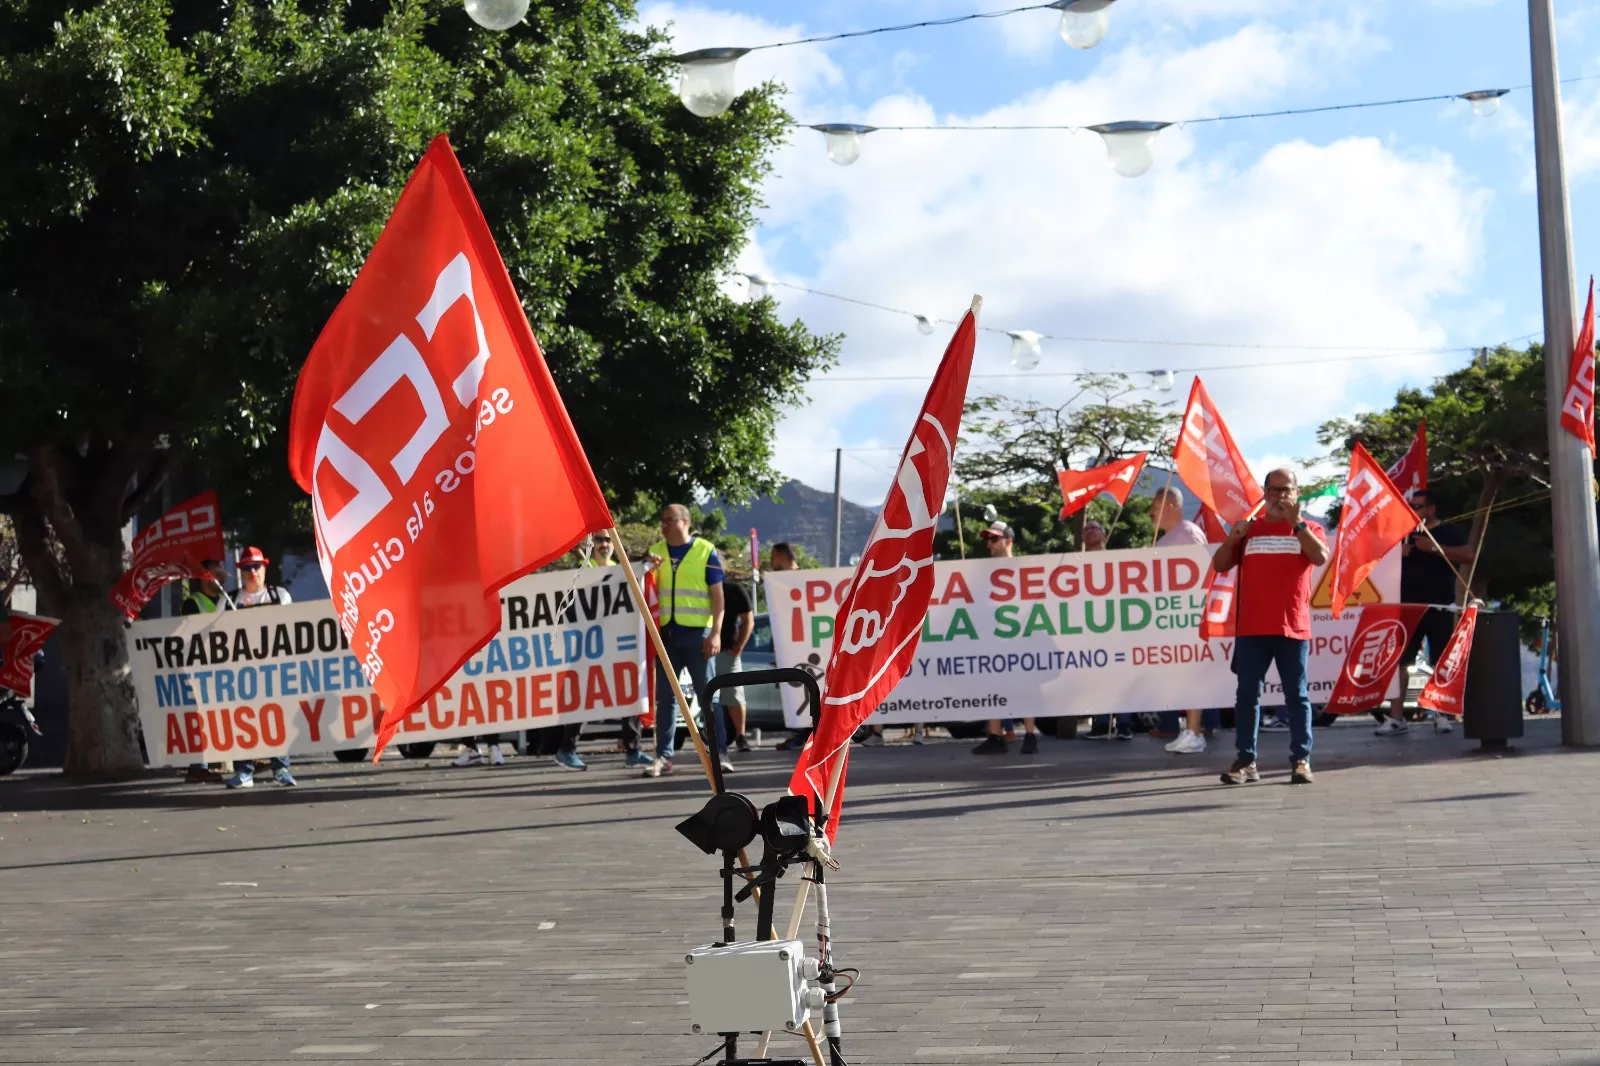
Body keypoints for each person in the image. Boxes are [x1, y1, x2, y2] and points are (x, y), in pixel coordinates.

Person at [1211, 468, 1330, 786]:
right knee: (1247, 696)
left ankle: (1301, 761)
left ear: (1296, 492)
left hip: (1292, 627)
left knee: (1297, 697)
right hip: (1251, 629)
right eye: (1273, 489)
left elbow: (1320, 557)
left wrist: (1298, 524)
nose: (1279, 496)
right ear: (1264, 493)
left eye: (1286, 489)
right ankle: (1246, 761)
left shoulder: (1308, 528)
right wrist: (1233, 537)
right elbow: (1221, 564)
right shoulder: (1249, 530)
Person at [1377, 489, 1471, 736]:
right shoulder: (1404, 532)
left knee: (1440, 660)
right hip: (1407, 607)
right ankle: (1396, 717)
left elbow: (1468, 556)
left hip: (1439, 605)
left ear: (1431, 509)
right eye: (1410, 506)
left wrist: (1435, 548)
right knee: (1401, 662)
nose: (1413, 511)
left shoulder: (1448, 530)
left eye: (1418, 507)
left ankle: (1441, 714)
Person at [643, 505, 728, 778]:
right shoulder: (655, 552)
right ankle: (663, 757)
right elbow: (642, 586)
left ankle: (720, 753)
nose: (665, 525)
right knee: (665, 700)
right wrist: (647, 569)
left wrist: (716, 633)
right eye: (663, 520)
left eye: (671, 520)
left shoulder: (705, 550)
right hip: (666, 636)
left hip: (698, 637)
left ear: (686, 522)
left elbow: (718, 597)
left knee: (708, 697)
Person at [223, 547, 296, 788]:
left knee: (278, 718)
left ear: (264, 568)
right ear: (240, 572)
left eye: (256, 566)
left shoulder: (280, 596)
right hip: (240, 673)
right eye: (246, 568)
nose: (252, 572)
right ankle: (244, 771)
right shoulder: (228, 600)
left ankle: (281, 768)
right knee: (242, 720)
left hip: (274, 670)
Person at [1149, 488, 1214, 755]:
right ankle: (1188, 731)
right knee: (1180, 678)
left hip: (1187, 618)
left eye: (1155, 506)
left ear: (1172, 507)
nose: (1150, 512)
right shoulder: (1166, 539)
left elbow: (1200, 573)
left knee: (1190, 676)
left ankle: (1195, 732)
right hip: (1170, 619)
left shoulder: (1187, 533)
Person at [972, 522, 1042, 755]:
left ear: (1008, 542)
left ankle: (1030, 735)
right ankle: (995, 735)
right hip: (994, 638)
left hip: (1021, 637)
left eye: (994, 540)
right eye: (988, 540)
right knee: (993, 684)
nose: (989, 545)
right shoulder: (983, 572)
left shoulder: (1022, 568)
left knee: (1026, 685)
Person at [1079, 520, 1134, 741]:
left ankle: (1124, 724)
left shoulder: (1116, 562)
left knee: (1120, 677)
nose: (1091, 531)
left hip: (1116, 628)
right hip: (1091, 629)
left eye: (1095, 528)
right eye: (1087, 529)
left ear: (1104, 534)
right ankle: (1101, 725)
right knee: (1098, 677)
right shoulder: (1077, 565)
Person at [182, 559, 230, 783]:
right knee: (200, 715)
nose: (220, 574)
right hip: (201, 667)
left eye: (220, 570)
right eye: (214, 571)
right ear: (203, 576)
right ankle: (198, 766)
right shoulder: (193, 602)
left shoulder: (226, 600)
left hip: (223, 666)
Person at [767, 543, 815, 753]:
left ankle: (808, 734)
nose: (771, 562)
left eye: (773, 558)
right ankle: (799, 732)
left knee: (808, 690)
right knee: (790, 690)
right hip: (786, 645)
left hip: (804, 644)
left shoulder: (803, 578)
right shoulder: (777, 582)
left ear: (780, 556)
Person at [716, 575, 756, 753]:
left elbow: (749, 621)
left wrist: (738, 647)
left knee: (734, 694)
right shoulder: (699, 586)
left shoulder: (734, 590)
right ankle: (712, 736)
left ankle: (741, 735)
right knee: (704, 697)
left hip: (726, 651)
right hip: (701, 651)